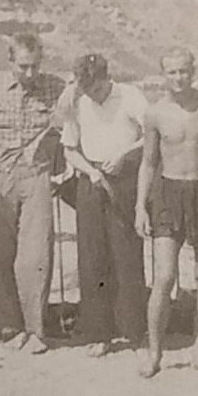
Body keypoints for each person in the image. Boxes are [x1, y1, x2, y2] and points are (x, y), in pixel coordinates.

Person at [135, 48, 198, 378]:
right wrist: (140, 206)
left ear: (193, 71)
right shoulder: (155, 113)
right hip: (168, 193)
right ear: (163, 75)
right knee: (164, 277)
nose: (178, 78)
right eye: (172, 72)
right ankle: (155, 353)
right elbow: (148, 162)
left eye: (183, 71)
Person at [0, 33, 67, 354]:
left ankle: (35, 330)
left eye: (35, 66)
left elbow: (76, 119)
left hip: (36, 174)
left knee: (36, 254)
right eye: (23, 66)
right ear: (10, 61)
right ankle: (9, 327)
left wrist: (57, 157)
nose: (30, 73)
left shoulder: (56, 87)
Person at [61, 52, 148, 357]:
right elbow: (70, 150)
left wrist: (125, 153)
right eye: (87, 90)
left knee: (127, 256)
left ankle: (135, 333)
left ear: (106, 78)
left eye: (97, 89)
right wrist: (91, 171)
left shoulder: (130, 96)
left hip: (125, 178)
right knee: (92, 258)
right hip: (92, 179)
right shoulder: (79, 102)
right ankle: (100, 333)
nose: (93, 96)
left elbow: (152, 135)